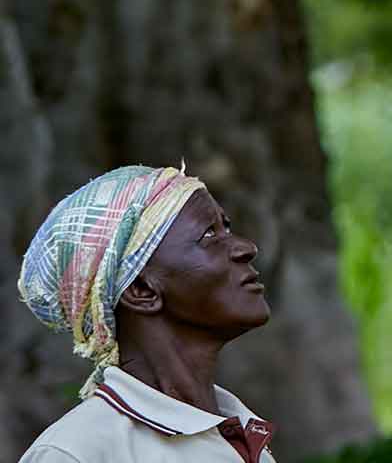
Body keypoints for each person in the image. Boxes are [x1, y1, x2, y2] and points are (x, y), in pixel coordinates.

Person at [16, 165, 276, 463]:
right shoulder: (77, 452)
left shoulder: (241, 434)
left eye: (226, 228)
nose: (246, 247)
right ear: (141, 289)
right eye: (208, 235)